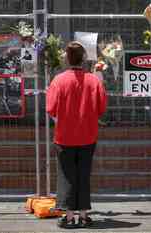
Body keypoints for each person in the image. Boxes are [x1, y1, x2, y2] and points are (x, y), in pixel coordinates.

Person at [46, 41, 107, 229]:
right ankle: (83, 215)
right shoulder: (94, 80)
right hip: (88, 135)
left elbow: (51, 108)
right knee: (83, 175)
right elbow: (101, 107)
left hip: (64, 136)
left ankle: (69, 216)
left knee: (66, 176)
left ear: (67, 58)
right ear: (84, 59)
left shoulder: (58, 80)